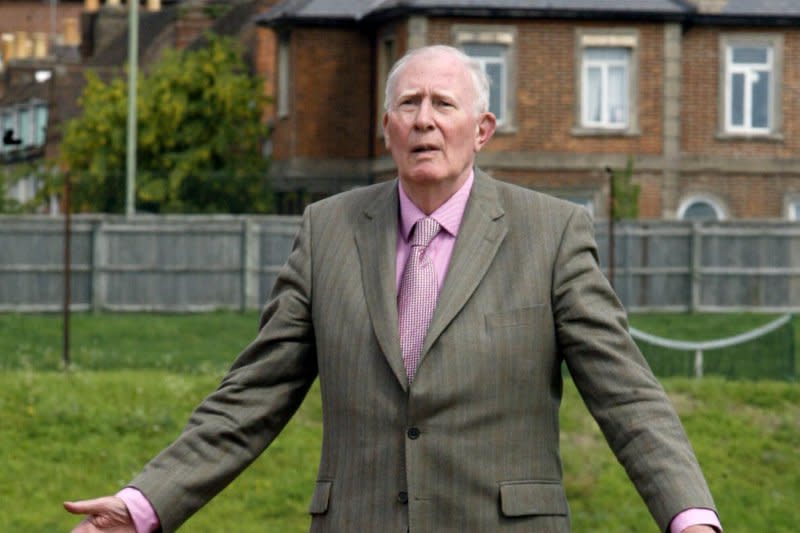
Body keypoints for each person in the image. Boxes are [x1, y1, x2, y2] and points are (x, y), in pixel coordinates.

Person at [65, 45, 722, 533]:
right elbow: (251, 395)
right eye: (409, 104)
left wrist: (689, 515)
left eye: (443, 105)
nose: (425, 121)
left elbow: (627, 393)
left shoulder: (552, 234)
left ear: (482, 129)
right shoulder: (327, 231)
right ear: (387, 129)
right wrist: (144, 503)